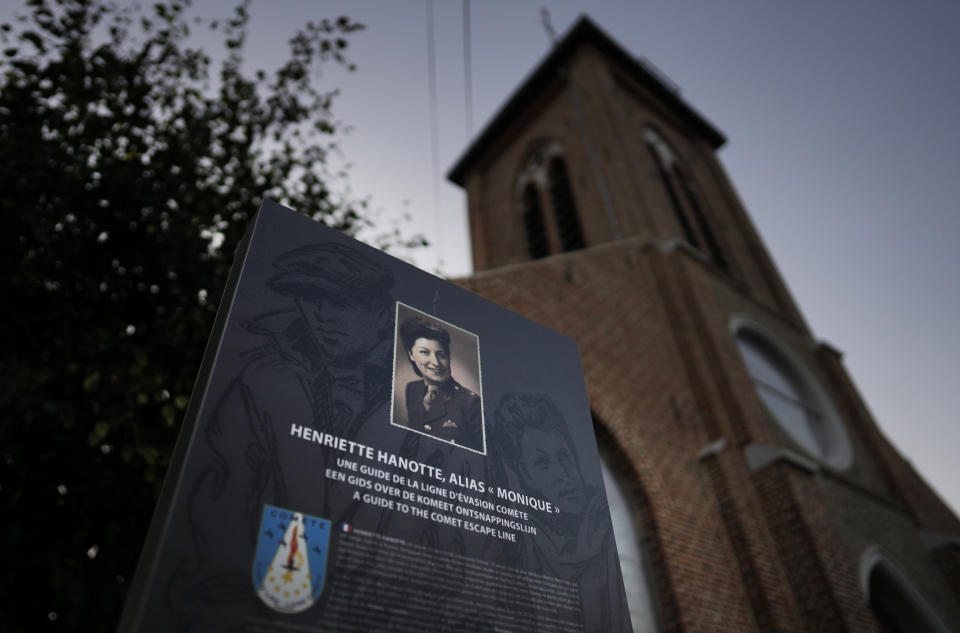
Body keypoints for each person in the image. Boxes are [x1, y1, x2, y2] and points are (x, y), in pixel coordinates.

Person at [398, 316, 483, 451]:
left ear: (448, 357)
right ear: (411, 355)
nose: (436, 363)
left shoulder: (470, 402)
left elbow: (481, 460)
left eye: (441, 355)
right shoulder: (413, 390)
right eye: (424, 352)